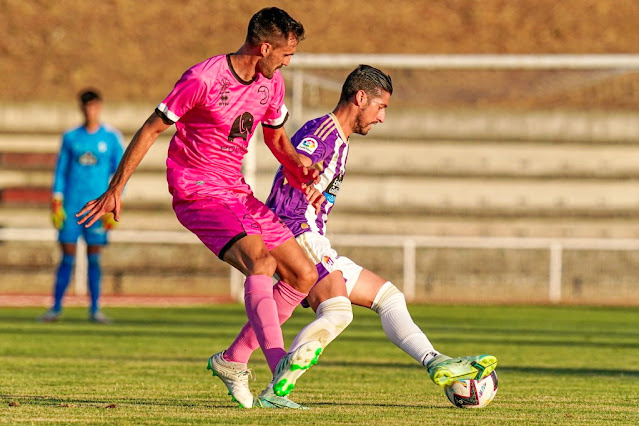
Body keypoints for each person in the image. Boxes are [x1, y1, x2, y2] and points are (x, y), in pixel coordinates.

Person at [76, 7, 325, 409]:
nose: (287, 62)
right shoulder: (203, 78)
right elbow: (153, 127)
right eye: (285, 54)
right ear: (264, 48)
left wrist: (302, 168)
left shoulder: (271, 84)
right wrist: (115, 187)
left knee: (302, 274)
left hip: (237, 193)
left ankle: (233, 360)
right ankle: (280, 363)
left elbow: (278, 142)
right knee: (260, 262)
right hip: (198, 191)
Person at [221, 65, 498, 406]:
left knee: (389, 297)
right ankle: (278, 388)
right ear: (361, 97)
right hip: (295, 230)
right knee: (338, 312)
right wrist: (304, 178)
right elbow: (296, 164)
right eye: (381, 107)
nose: (381, 117)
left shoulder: (341, 139)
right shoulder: (321, 131)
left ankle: (435, 360)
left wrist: (310, 184)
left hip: (314, 235)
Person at [39, 89, 124, 324]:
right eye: (86, 107)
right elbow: (61, 171)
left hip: (97, 207)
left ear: (100, 107)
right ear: (81, 108)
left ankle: (95, 309)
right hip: (72, 206)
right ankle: (55, 308)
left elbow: (120, 174)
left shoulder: (111, 137)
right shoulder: (71, 137)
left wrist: (114, 203)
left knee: (94, 257)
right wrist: (56, 201)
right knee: (66, 256)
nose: (90, 111)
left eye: (94, 106)